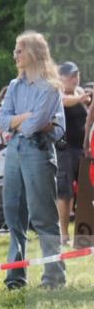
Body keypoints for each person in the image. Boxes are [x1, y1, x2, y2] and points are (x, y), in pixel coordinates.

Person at [0, 32, 67, 290]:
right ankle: (15, 277)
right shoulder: (15, 86)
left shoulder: (50, 88)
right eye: (15, 50)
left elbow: (32, 127)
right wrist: (24, 118)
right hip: (14, 152)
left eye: (19, 51)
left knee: (43, 216)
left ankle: (54, 276)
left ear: (34, 53)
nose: (15, 55)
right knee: (13, 214)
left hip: (38, 152)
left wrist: (20, 121)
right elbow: (1, 119)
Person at [56, 62, 93, 246]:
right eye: (71, 76)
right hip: (64, 149)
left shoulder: (79, 91)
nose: (74, 79)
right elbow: (64, 101)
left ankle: (86, 232)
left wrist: (86, 99)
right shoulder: (57, 93)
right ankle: (63, 235)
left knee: (87, 191)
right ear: (61, 78)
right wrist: (80, 100)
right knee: (65, 193)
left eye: (76, 75)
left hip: (82, 149)